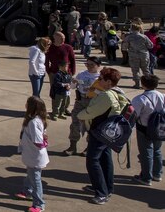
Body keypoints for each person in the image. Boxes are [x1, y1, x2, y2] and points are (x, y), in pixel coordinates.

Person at [78, 67, 128, 205]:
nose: (98, 80)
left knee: (92, 161)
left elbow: (91, 111)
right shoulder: (112, 92)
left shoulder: (106, 96)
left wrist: (79, 115)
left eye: (101, 79)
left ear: (108, 82)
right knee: (105, 159)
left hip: (99, 132)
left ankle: (101, 193)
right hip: (106, 133)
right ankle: (107, 188)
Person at [15, 96, 49, 212]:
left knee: (35, 179)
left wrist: (42, 142)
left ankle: (39, 204)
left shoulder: (34, 122)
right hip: (32, 155)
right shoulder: (35, 119)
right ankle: (27, 191)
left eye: (27, 103)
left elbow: (38, 141)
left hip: (35, 156)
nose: (25, 105)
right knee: (30, 173)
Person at [64, 56, 102, 156]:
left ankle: (89, 147)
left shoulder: (100, 78)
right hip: (80, 101)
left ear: (98, 66)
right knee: (75, 122)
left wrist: (94, 90)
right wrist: (73, 83)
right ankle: (72, 146)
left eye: (92, 65)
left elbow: (104, 93)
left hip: (93, 102)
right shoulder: (81, 74)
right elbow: (72, 87)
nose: (89, 66)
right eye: (87, 64)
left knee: (91, 125)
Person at [131, 74, 164, 185]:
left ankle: (146, 177)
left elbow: (134, 115)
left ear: (143, 84)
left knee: (146, 153)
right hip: (160, 127)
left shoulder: (139, 99)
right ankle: (157, 174)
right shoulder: (162, 96)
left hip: (144, 128)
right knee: (157, 150)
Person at [45, 31, 76, 114]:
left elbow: (72, 60)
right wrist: (48, 71)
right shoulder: (50, 48)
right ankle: (55, 109)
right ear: (55, 38)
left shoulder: (68, 47)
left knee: (66, 92)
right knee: (55, 92)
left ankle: (65, 108)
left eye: (64, 38)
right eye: (61, 38)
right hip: (54, 73)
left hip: (66, 74)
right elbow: (46, 60)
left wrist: (72, 71)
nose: (63, 39)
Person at [122, 23, 153, 88]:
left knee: (135, 70)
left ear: (132, 29)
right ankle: (148, 84)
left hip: (133, 55)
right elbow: (150, 46)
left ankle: (137, 84)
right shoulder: (144, 37)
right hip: (144, 55)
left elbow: (124, 47)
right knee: (146, 70)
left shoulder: (129, 37)